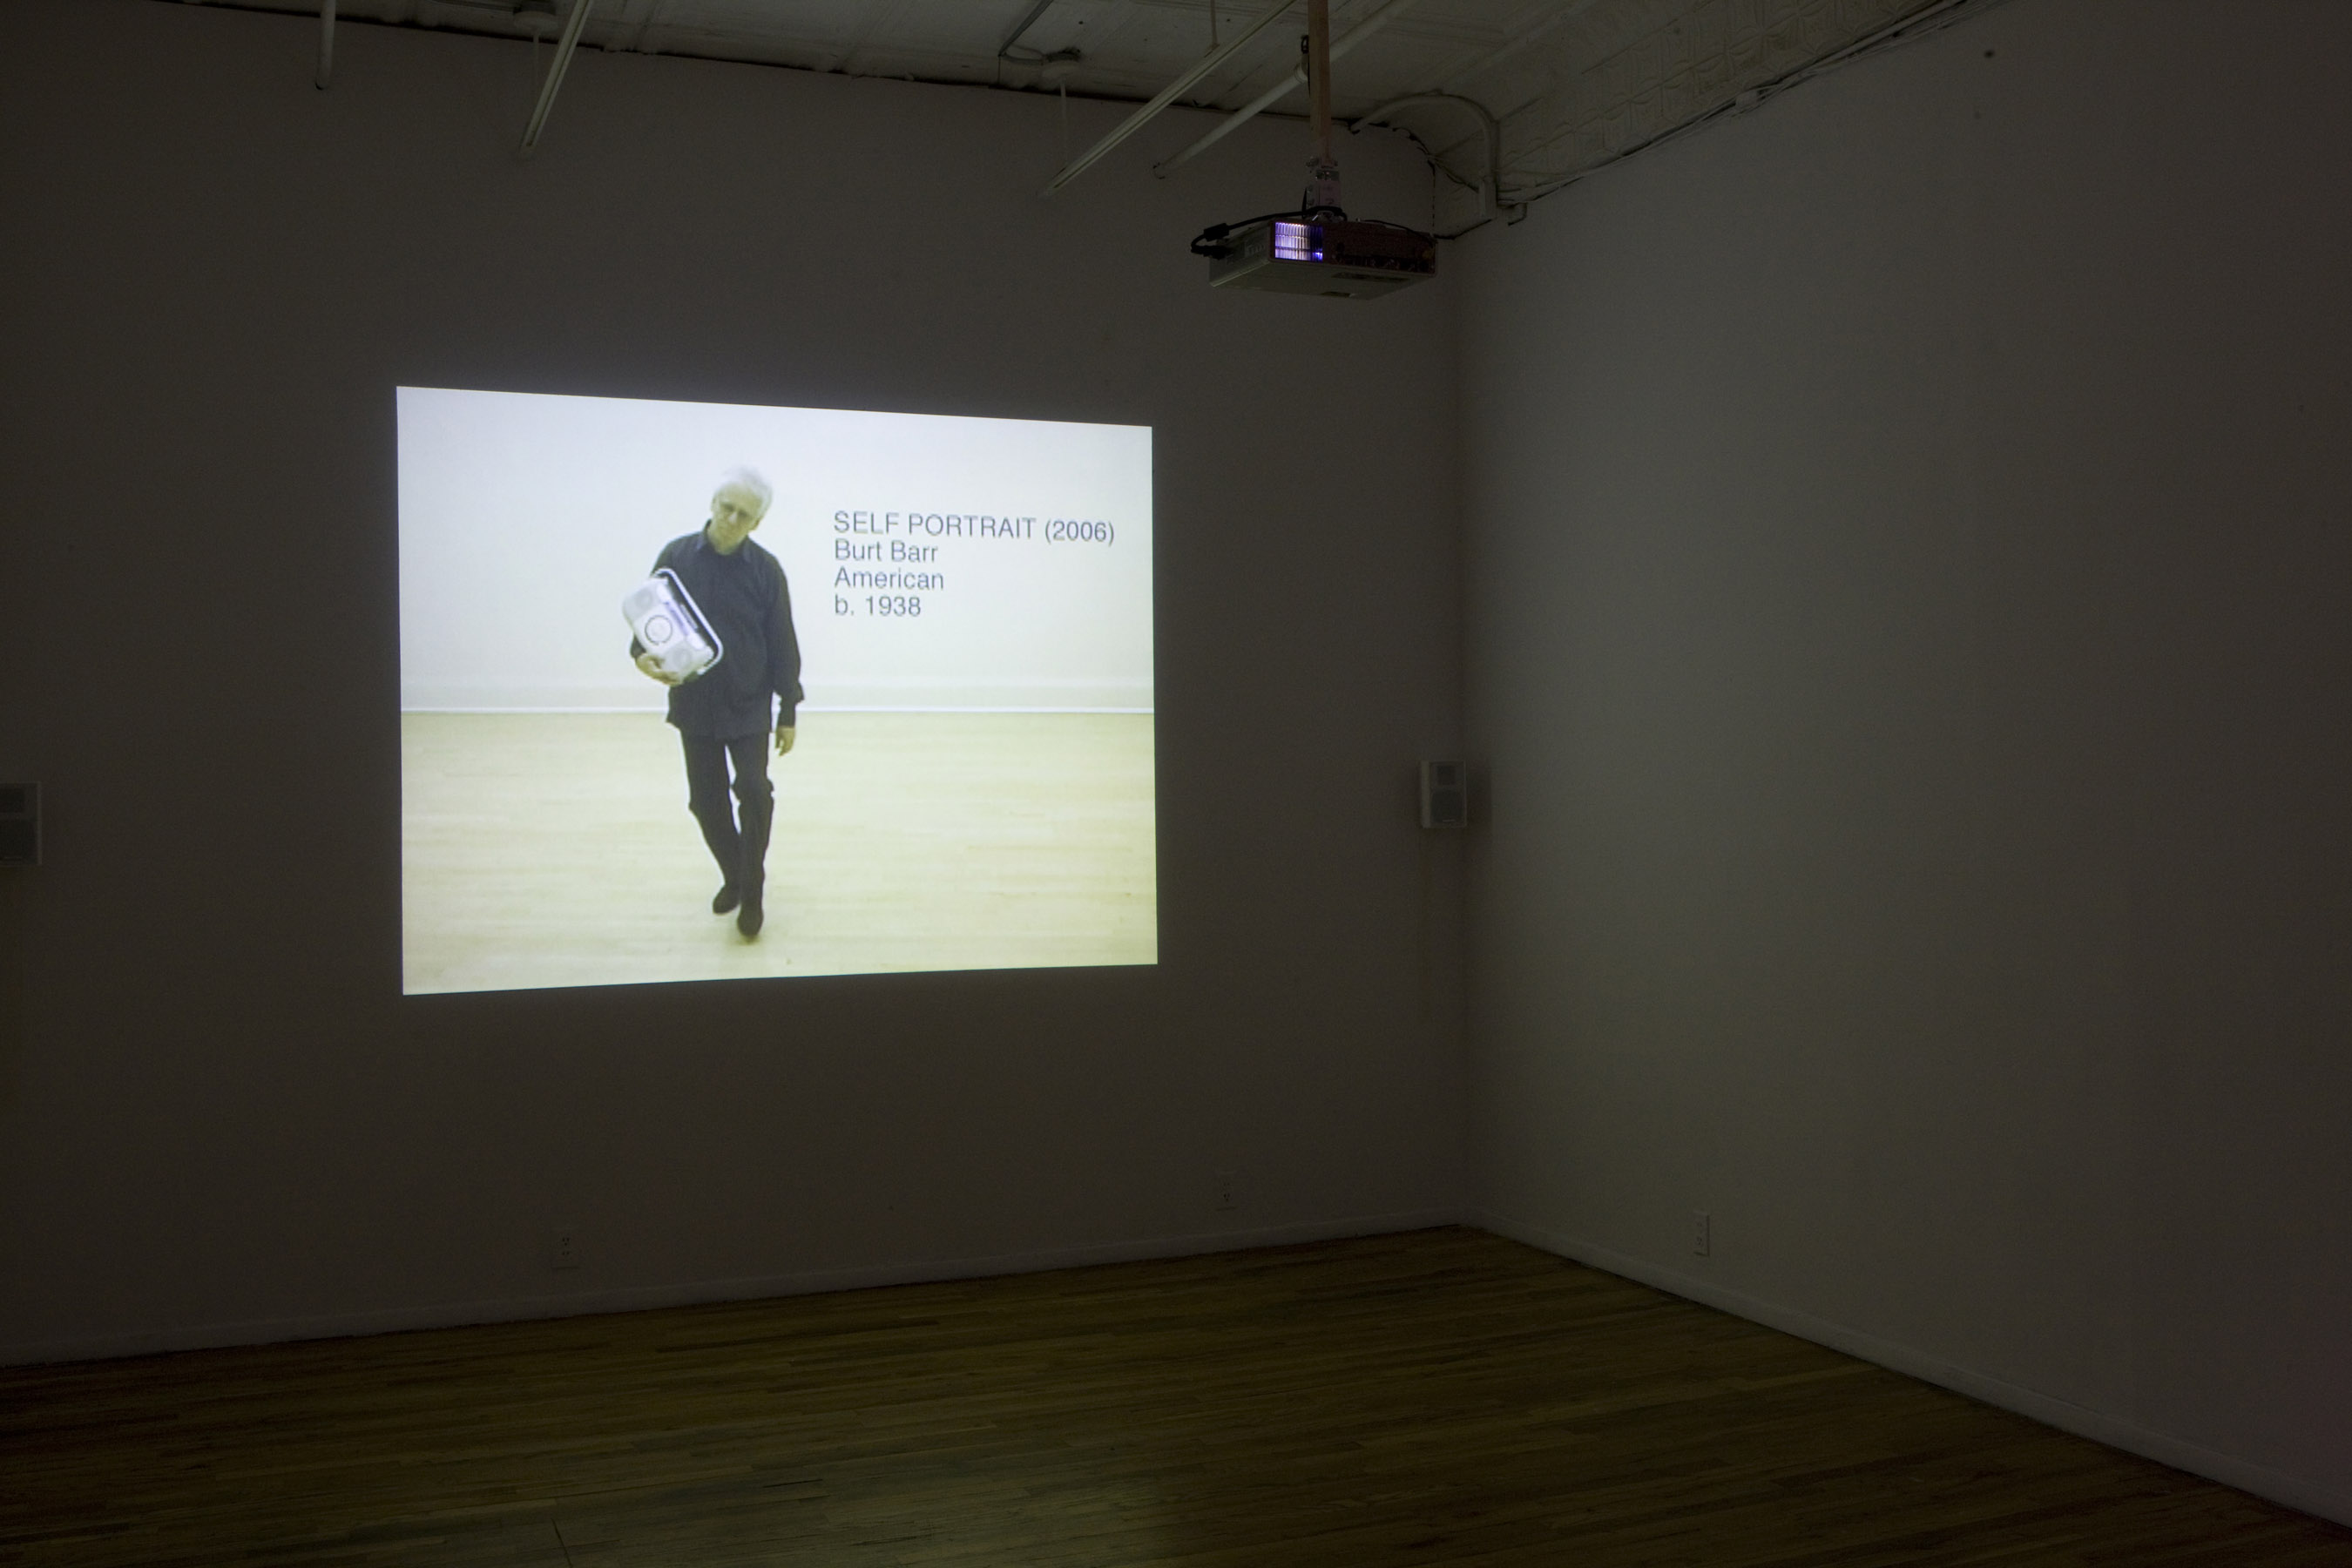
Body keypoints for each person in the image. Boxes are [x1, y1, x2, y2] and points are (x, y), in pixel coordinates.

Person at [632, 469, 801, 938]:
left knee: (753, 790)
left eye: (743, 514)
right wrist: (643, 660)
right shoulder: (675, 557)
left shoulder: (766, 571)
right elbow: (647, 627)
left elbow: (782, 640)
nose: (731, 518)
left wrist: (788, 709)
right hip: (694, 703)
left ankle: (753, 888)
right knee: (705, 803)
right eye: (726, 506)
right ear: (713, 502)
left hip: (748, 701)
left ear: (757, 523)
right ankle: (736, 875)